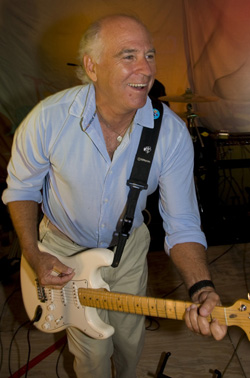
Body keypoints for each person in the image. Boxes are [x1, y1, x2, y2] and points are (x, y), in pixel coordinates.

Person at [2, 14, 227, 378]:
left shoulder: (169, 133)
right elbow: (21, 190)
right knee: (91, 353)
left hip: (128, 247)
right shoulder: (48, 119)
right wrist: (33, 253)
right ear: (91, 66)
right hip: (61, 249)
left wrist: (201, 287)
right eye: (129, 56)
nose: (146, 68)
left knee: (128, 338)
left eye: (150, 55)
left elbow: (183, 223)